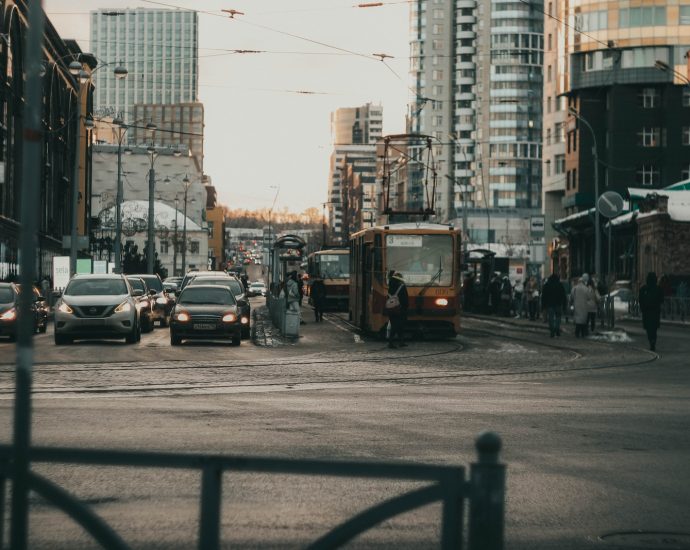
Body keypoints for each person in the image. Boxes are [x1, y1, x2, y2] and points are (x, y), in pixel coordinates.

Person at [639, 271, 665, 351]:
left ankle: (651, 341)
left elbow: (640, 300)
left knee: (649, 328)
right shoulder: (658, 289)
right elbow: (662, 299)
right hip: (655, 311)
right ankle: (653, 341)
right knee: (654, 329)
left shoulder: (643, 289)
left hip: (647, 312)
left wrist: (642, 308)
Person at [386, 271, 408, 349]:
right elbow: (405, 299)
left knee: (396, 325)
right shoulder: (402, 286)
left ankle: (401, 341)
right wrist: (405, 308)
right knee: (398, 326)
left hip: (391, 309)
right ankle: (390, 343)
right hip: (400, 309)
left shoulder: (390, 286)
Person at [541, 273, 567, 337]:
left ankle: (552, 330)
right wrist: (564, 305)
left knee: (551, 318)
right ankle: (557, 328)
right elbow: (563, 295)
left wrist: (543, 305)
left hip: (549, 304)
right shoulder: (560, 285)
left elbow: (543, 296)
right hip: (558, 304)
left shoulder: (547, 285)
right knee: (558, 317)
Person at [571, 273, 594, 338]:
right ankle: (583, 333)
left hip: (576, 306)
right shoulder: (586, 289)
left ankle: (577, 333)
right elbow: (589, 297)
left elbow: (572, 297)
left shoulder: (574, 288)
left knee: (578, 320)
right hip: (584, 306)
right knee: (583, 320)